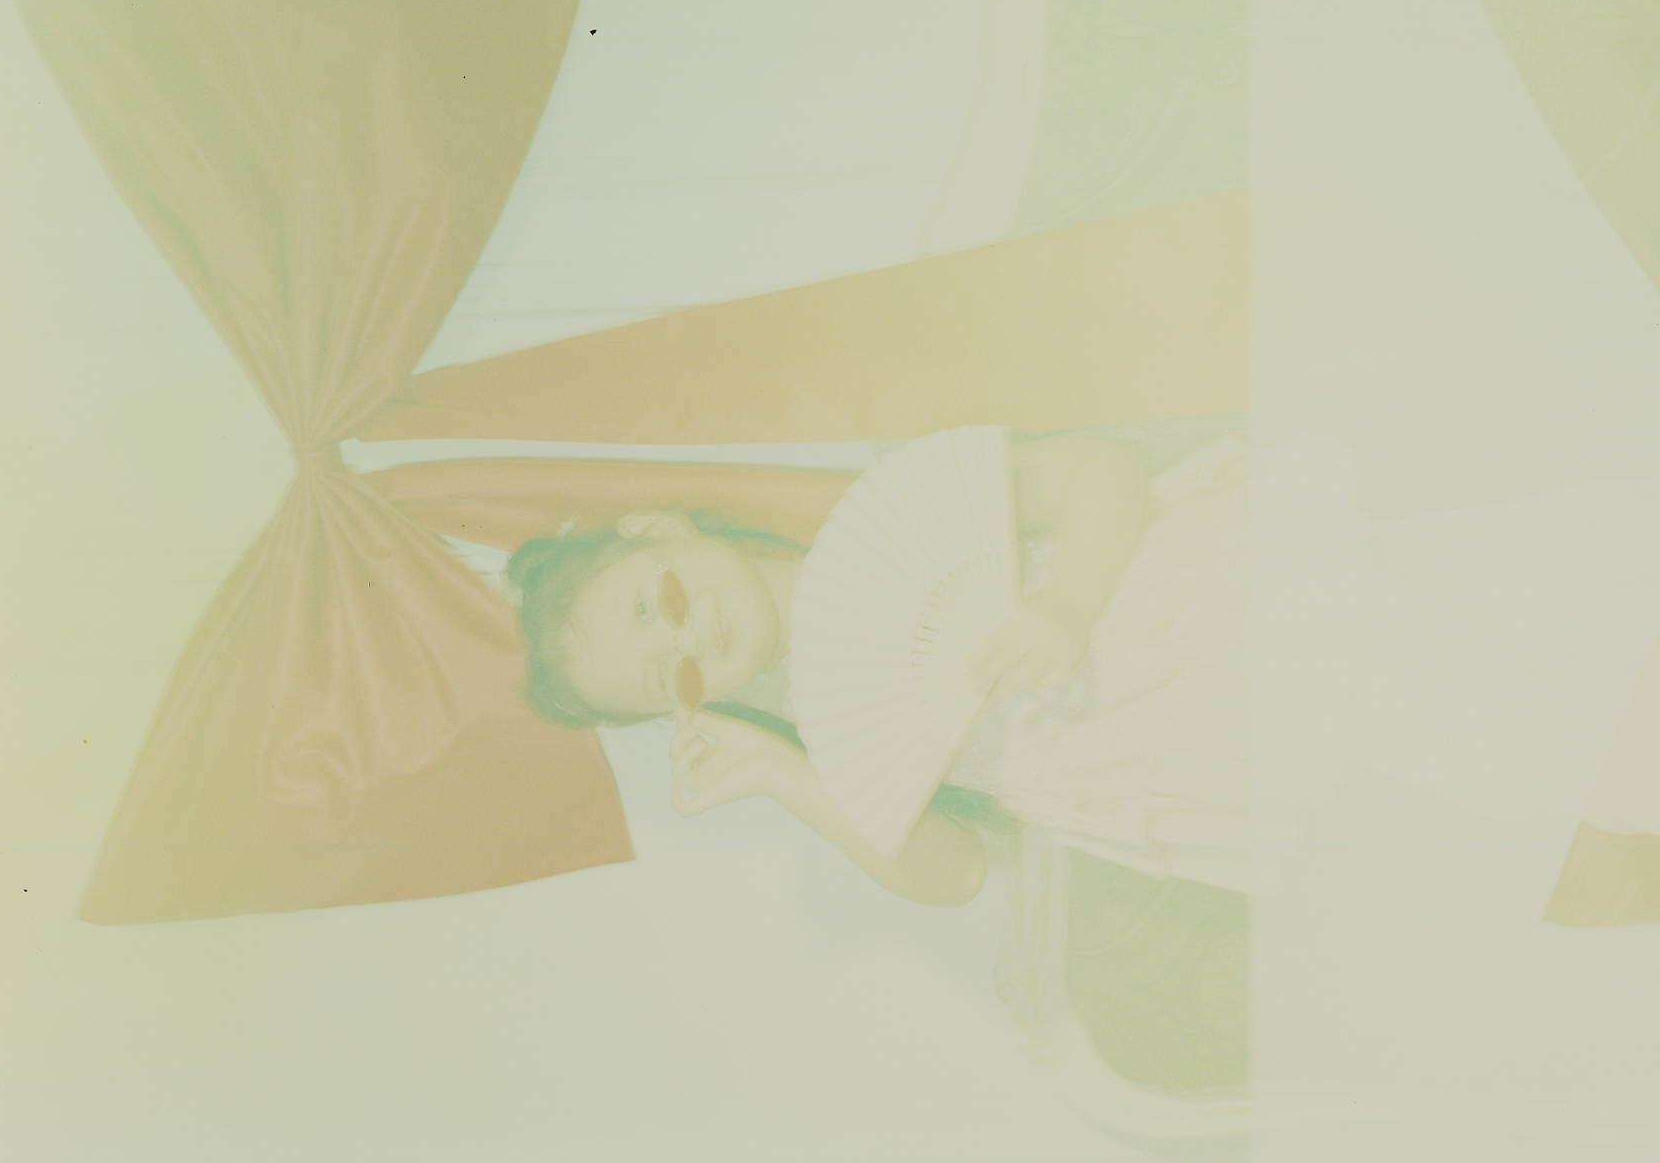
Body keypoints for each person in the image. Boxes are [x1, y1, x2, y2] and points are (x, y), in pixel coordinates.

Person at [508, 426, 1660, 1115]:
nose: (688, 634)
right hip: (1209, 737)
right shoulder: (839, 733)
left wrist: (1065, 599)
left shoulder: (886, 515)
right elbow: (953, 872)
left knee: (1487, 628)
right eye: (666, 674)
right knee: (1481, 755)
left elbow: (1099, 468)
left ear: (659, 535)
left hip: (1209, 601)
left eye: (653, 603)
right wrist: (776, 772)